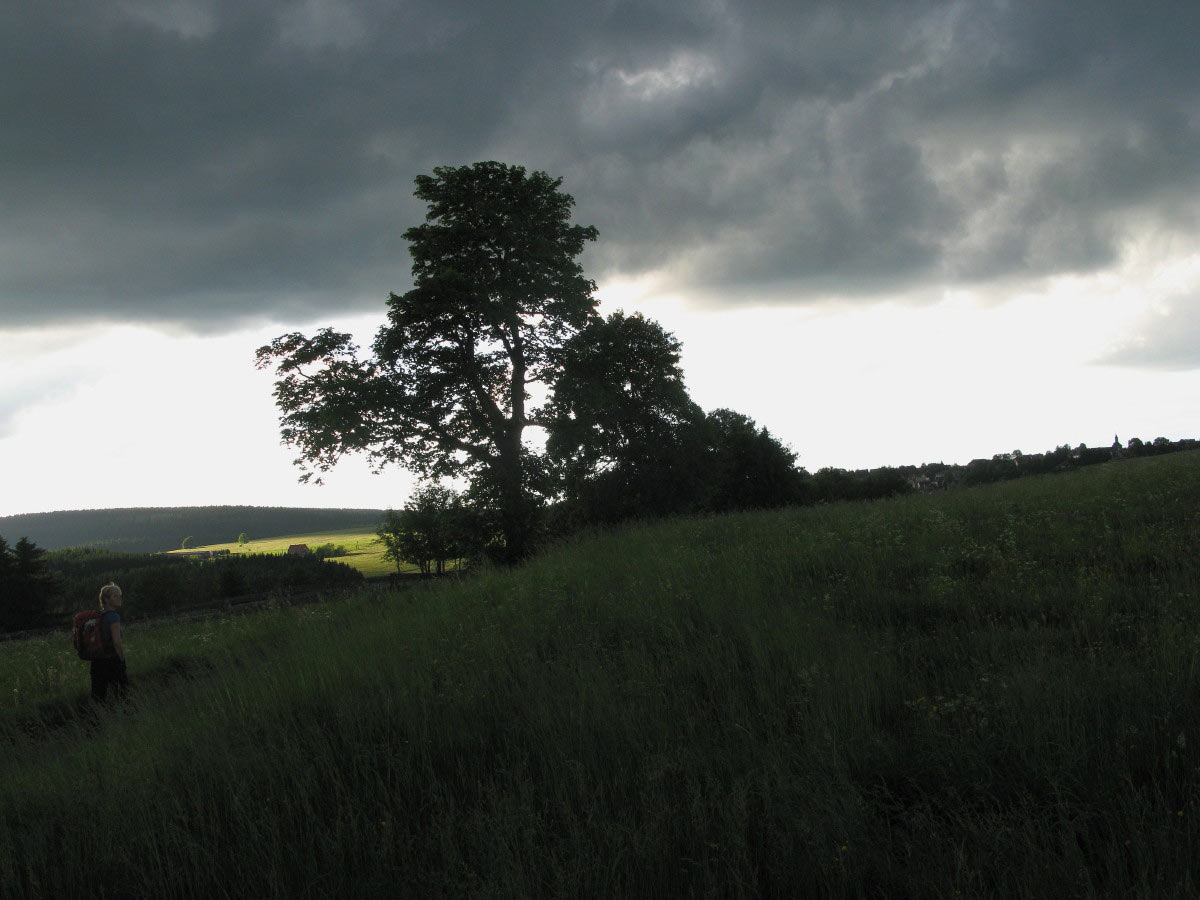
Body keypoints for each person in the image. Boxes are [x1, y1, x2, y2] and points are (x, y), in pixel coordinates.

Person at [92, 582, 129, 702]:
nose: (119, 598)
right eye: (115, 596)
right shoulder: (113, 617)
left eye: (120, 595)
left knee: (98, 696)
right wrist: (122, 660)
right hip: (112, 661)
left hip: (97, 661)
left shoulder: (98, 617)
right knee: (122, 694)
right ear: (106, 599)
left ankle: (97, 718)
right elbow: (117, 642)